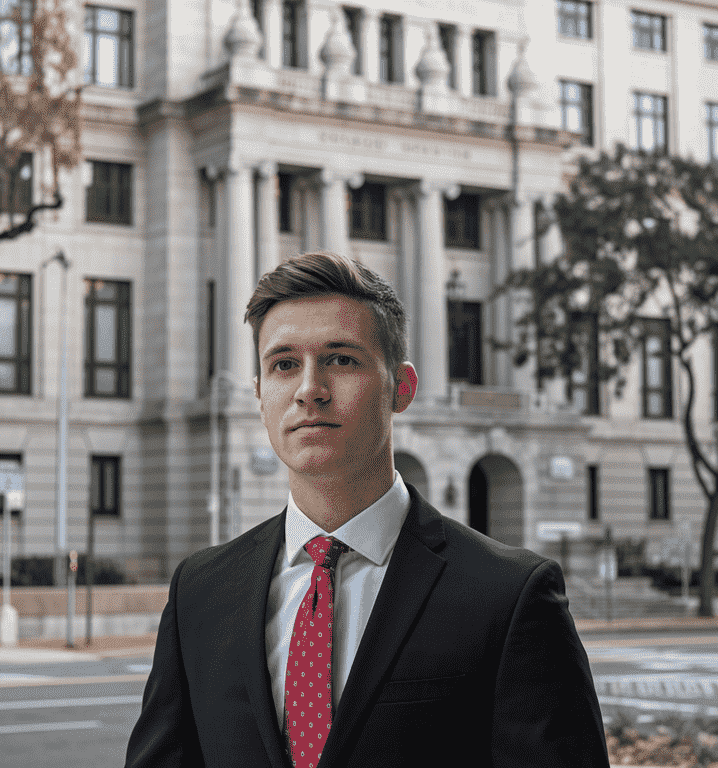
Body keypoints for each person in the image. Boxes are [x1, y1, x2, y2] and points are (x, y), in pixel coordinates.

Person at [125, 251, 610, 768]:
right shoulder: (201, 592)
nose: (310, 390)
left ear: (401, 388)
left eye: (341, 359)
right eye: (284, 364)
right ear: (260, 394)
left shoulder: (509, 596)